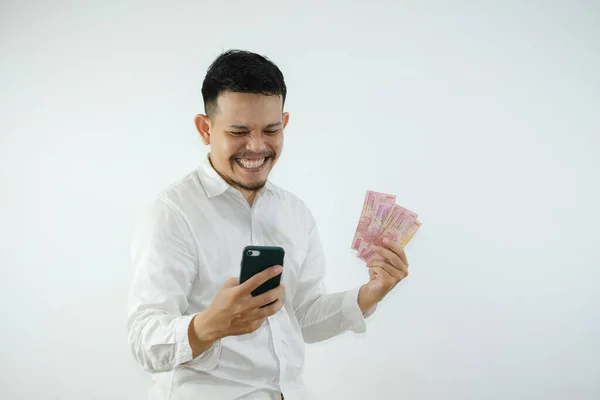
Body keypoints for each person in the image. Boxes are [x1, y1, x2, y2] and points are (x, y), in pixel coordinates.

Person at [127, 49, 410, 400]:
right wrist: (208, 325)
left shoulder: (295, 212)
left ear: (285, 124)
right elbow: (143, 339)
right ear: (205, 128)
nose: (257, 147)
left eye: (271, 130)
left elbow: (302, 317)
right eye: (238, 131)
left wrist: (371, 293)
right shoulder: (172, 213)